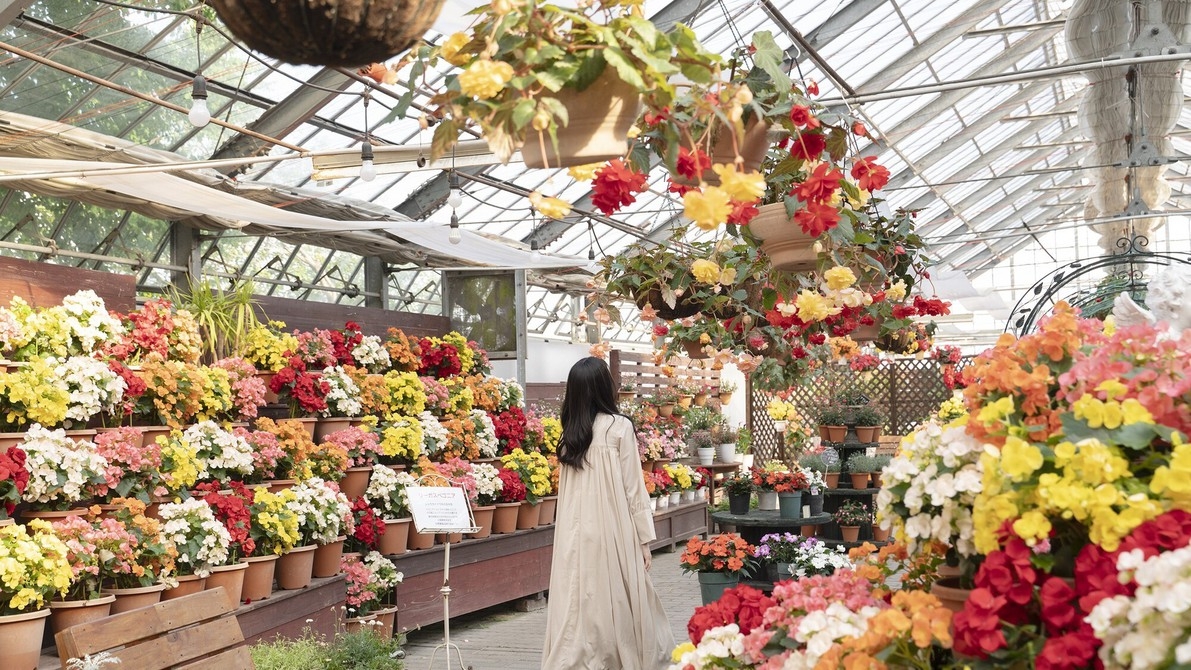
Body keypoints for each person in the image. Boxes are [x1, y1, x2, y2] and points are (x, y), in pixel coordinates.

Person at [541, 357, 674, 670]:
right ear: (605, 388)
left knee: (579, 592)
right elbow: (633, 488)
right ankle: (613, 654)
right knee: (614, 594)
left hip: (575, 529)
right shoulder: (618, 427)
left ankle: (580, 655)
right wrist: (644, 539)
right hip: (612, 527)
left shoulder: (571, 434)